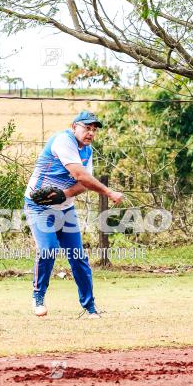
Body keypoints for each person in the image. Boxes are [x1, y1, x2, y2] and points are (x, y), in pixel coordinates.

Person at [24, 110, 124, 318]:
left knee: (78, 257)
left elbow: (83, 184)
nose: (90, 133)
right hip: (39, 206)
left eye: (94, 130)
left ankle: (90, 308)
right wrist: (108, 192)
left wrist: (64, 194)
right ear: (74, 127)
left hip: (64, 209)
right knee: (49, 250)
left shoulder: (87, 151)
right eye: (87, 128)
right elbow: (80, 175)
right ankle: (38, 297)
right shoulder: (63, 141)